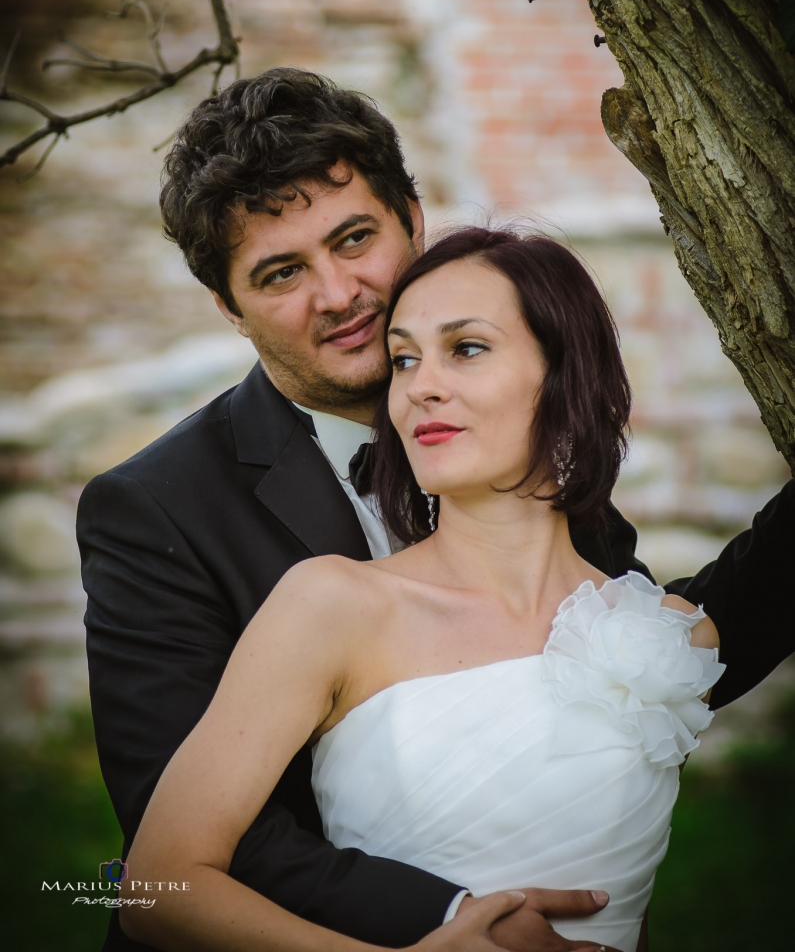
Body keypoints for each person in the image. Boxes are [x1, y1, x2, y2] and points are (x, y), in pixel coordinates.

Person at [77, 69, 794, 952]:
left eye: (353, 239)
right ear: (228, 306)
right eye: (280, 273)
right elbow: (163, 865)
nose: (337, 294)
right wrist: (462, 925)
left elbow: (626, 667)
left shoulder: (525, 443)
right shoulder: (155, 509)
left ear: (412, 223)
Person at [119, 227, 723, 952]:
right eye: (403, 359)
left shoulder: (670, 639)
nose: (419, 386)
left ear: (566, 374)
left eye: (465, 348)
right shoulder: (331, 606)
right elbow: (156, 889)